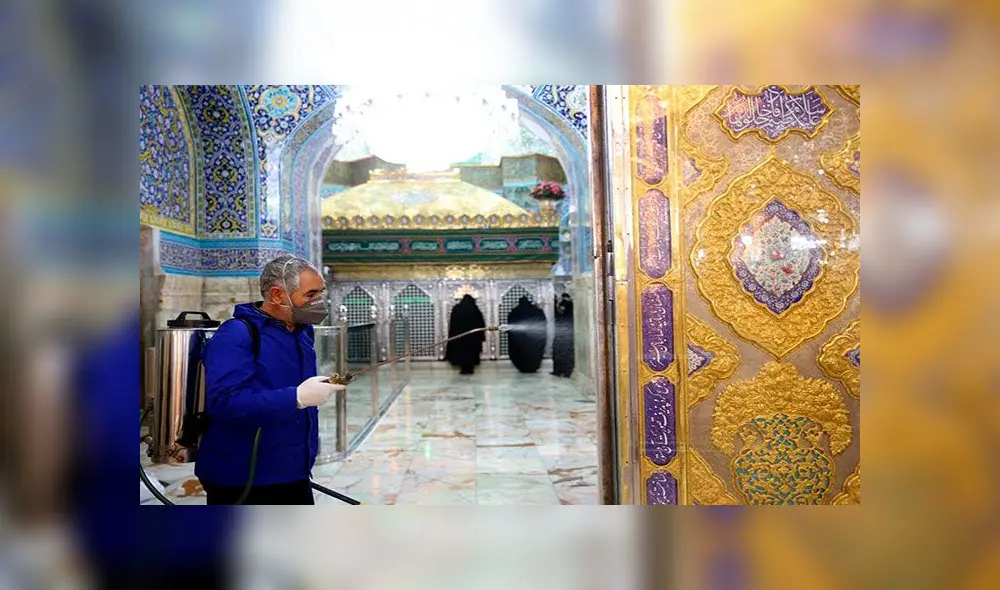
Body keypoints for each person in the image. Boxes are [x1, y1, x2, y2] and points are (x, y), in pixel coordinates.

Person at [195, 255, 346, 505]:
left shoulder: (301, 332)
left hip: (292, 469)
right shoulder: (236, 334)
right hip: (244, 476)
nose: (318, 302)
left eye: (320, 293)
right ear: (277, 295)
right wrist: (295, 398)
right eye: (310, 295)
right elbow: (224, 402)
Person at [445, 294, 486, 374]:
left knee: (461, 353)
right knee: (471, 354)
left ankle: (463, 368)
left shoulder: (457, 309)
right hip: (473, 338)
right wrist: (481, 337)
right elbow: (480, 324)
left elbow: (453, 323)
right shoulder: (475, 309)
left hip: (459, 337)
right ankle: (469, 368)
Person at [506, 296, 547, 373]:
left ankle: (522, 367)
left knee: (520, 353)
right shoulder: (536, 310)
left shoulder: (515, 312)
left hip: (519, 339)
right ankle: (533, 366)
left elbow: (510, 325)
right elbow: (543, 322)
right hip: (534, 338)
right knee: (534, 352)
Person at [552, 293, 575, 378]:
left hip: (565, 336)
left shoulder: (567, 305)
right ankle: (560, 371)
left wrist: (557, 305)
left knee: (565, 354)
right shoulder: (568, 306)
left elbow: (560, 316)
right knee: (560, 354)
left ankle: (565, 371)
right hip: (562, 335)